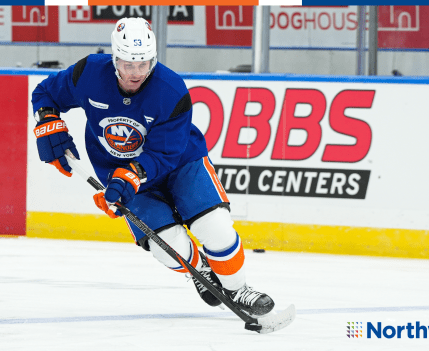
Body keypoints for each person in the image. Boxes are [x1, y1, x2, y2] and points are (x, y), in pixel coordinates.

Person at [31, 17, 274, 317]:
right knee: (165, 245)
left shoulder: (170, 89)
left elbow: (164, 153)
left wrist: (129, 176)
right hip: (123, 176)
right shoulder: (89, 73)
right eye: (128, 64)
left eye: (143, 64)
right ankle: (200, 269)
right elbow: (46, 93)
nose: (136, 73)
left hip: (181, 164)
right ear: (114, 58)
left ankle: (239, 290)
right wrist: (47, 122)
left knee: (215, 227)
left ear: (153, 59)